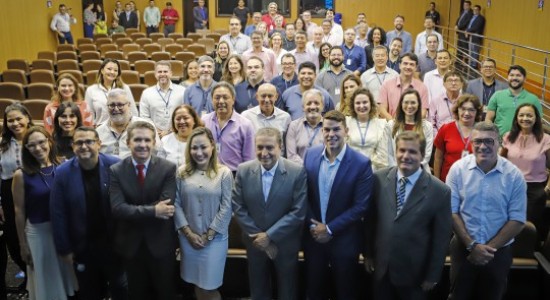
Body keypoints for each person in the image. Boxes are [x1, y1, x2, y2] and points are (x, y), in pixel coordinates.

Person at [366, 131, 451, 299]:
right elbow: (371, 221)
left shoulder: (440, 191)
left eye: (412, 152)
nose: (405, 156)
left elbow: (441, 238)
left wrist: (432, 275)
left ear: (422, 155)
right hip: (382, 270)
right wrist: (368, 254)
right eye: (401, 150)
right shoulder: (379, 179)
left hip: (416, 276)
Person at [446, 122, 526, 300]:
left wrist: (487, 250)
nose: (483, 146)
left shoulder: (514, 176)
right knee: (458, 295)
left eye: (489, 141)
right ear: (471, 143)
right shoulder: (457, 170)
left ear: (499, 143)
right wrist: (471, 246)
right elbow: (450, 212)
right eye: (478, 141)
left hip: (498, 253)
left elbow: (517, 219)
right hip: (462, 248)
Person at [50, 126, 128, 300]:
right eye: (79, 142)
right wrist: (64, 248)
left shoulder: (115, 165)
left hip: (114, 245)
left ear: (99, 144)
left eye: (89, 141)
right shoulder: (63, 173)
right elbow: (58, 213)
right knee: (90, 292)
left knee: (120, 289)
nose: (84, 146)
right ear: (72, 146)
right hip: (83, 247)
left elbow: (127, 204)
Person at [303, 110, 373, 300]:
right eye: (326, 129)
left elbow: (360, 207)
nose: (331, 134)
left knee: (346, 292)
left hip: (345, 241)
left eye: (336, 129)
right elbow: (303, 196)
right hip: (314, 239)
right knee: (314, 291)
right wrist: (314, 227)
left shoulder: (362, 163)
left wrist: (330, 229)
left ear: (346, 131)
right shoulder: (310, 155)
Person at [232, 127, 307, 300]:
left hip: (286, 244)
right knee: (258, 290)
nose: (264, 152)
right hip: (255, 243)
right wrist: (261, 238)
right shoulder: (243, 170)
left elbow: (298, 211)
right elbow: (238, 206)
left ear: (280, 147)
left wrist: (270, 236)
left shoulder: (296, 172)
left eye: (269, 147)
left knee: (287, 291)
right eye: (259, 147)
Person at [109, 121, 177, 300]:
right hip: (131, 248)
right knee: (136, 295)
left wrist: (134, 210)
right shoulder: (116, 171)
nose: (142, 145)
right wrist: (154, 210)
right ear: (128, 142)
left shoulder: (168, 168)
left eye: (147, 140)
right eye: (137, 140)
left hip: (161, 246)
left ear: (154, 143)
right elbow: (118, 209)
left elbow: (167, 206)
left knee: (166, 294)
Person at [13, 126, 78, 299]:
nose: (38, 148)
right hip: (39, 234)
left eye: (41, 142)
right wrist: (22, 245)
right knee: (46, 282)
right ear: (26, 148)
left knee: (65, 282)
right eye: (31, 145)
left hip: (62, 232)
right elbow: (19, 212)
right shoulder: (21, 175)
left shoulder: (63, 166)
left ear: (49, 141)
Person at [175, 127, 232, 300]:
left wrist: (209, 235)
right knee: (197, 285)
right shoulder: (181, 172)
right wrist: (189, 234)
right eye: (194, 148)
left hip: (214, 241)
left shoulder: (224, 173)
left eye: (203, 147)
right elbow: (176, 204)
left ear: (212, 146)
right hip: (188, 240)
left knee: (209, 287)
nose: (199, 152)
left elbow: (227, 207)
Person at [501, 103, 550, 241]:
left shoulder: (545, 139)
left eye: (529, 115)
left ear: (536, 118)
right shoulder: (508, 136)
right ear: (516, 118)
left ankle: (528, 253)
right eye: (521, 115)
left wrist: (547, 188)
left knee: (527, 226)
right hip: (510, 186)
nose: (525, 118)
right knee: (508, 223)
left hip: (534, 189)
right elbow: (500, 162)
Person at [0, 104, 33, 297]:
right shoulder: (2, 144)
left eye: (18, 118)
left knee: (36, 236)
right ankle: (28, 274)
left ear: (27, 118)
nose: (15, 123)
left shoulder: (39, 139)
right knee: (14, 241)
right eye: (10, 120)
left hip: (35, 191)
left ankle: (38, 279)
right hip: (8, 192)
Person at [201, 82, 255, 174]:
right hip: (208, 174)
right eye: (217, 98)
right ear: (212, 100)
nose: (221, 101)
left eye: (225, 97)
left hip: (234, 174)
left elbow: (249, 159)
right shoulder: (204, 121)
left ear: (233, 100)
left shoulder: (245, 125)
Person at [97, 89, 160, 158]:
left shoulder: (145, 127)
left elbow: (157, 152)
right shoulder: (99, 131)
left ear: (129, 105)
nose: (116, 109)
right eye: (112, 105)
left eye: (120, 105)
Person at [433, 94, 482, 182]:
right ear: (457, 110)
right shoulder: (446, 129)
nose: (466, 113)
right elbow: (438, 158)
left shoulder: (483, 132)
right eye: (463, 109)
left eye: (471, 110)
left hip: (474, 183)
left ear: (477, 112)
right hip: (448, 182)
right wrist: (437, 182)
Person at [486, 65, 543, 137]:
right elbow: (488, 119)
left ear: (525, 79)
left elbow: (538, 122)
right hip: (499, 141)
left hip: (524, 142)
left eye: (518, 75)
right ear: (508, 77)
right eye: (511, 75)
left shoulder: (533, 99)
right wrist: (491, 136)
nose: (514, 78)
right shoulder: (497, 95)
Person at [383, 89, 433, 171]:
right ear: (401, 104)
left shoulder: (427, 126)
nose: (409, 106)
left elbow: (426, 155)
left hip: (420, 172)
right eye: (406, 102)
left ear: (418, 105)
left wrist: (411, 170)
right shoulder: (391, 125)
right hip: (397, 172)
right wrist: (400, 170)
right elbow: (389, 154)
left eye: (413, 102)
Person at [139, 61, 186, 138]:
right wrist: (156, 130)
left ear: (171, 73)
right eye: (159, 72)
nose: (162, 74)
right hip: (154, 136)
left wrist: (170, 131)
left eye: (165, 71)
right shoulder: (146, 93)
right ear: (155, 74)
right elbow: (144, 117)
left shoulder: (182, 91)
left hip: (177, 134)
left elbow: (185, 113)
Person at [85, 59, 138, 126]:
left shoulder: (125, 88)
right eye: (109, 69)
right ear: (102, 70)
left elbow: (133, 112)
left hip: (122, 129)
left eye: (115, 70)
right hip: (100, 129)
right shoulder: (91, 90)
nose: (112, 72)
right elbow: (88, 115)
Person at [346, 88, 387, 170]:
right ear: (353, 105)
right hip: (350, 169)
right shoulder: (346, 122)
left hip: (373, 171)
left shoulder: (381, 125)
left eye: (365, 102)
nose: (361, 106)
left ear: (371, 104)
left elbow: (383, 156)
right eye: (358, 103)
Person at [378, 53, 429, 120]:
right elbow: (382, 110)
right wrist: (394, 124)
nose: (408, 67)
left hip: (414, 128)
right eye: (405, 63)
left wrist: (409, 125)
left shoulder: (422, 87)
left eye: (411, 64)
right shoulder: (386, 85)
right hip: (391, 126)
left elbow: (423, 112)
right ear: (399, 65)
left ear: (416, 68)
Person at [285, 89, 325, 164]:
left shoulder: (328, 127)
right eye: (309, 103)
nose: (313, 107)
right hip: (300, 173)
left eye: (316, 103)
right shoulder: (294, 126)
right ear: (303, 107)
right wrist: (308, 167)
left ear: (322, 106)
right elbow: (291, 156)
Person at [454, 1, 473, 65]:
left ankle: (465, 61)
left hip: (464, 32)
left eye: (466, 5)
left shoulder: (471, 13)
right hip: (459, 32)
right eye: (464, 5)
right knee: (459, 46)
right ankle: (458, 59)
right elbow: (458, 19)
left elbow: (466, 22)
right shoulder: (463, 12)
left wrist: (458, 27)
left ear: (470, 6)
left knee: (464, 47)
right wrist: (456, 25)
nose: (465, 6)